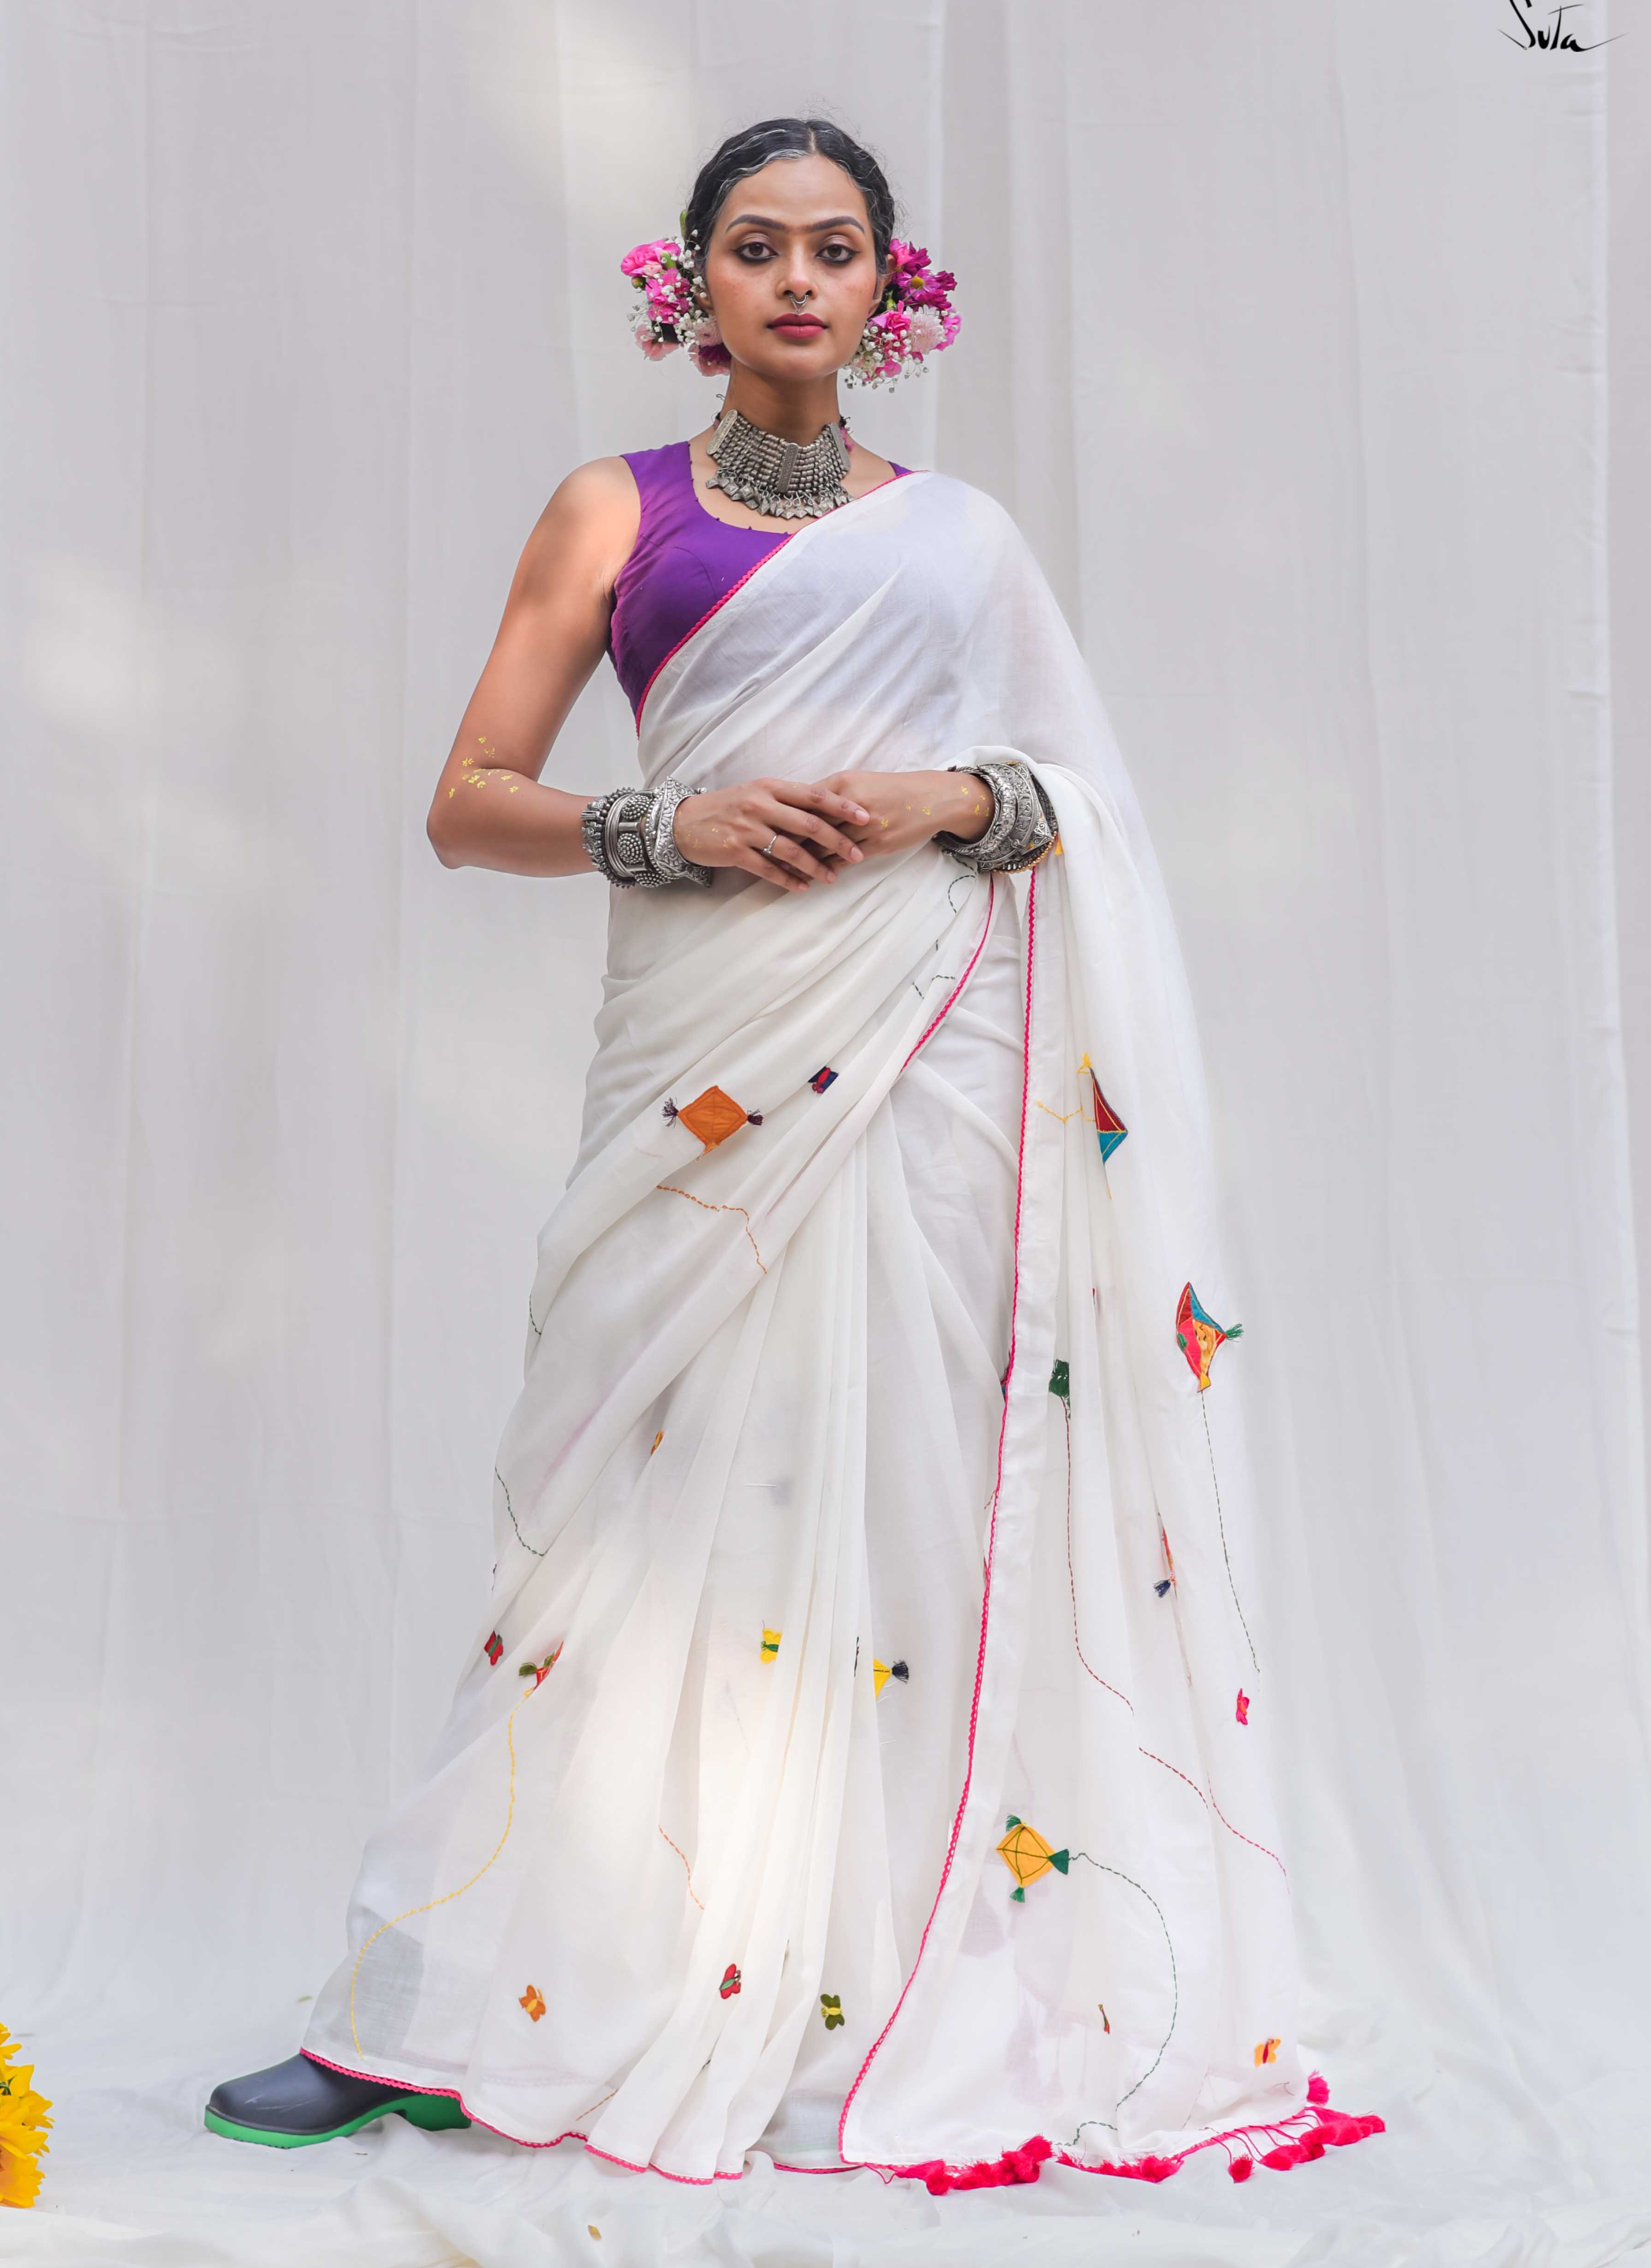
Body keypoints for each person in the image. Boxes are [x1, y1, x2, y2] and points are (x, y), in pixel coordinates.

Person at [205, 117, 1379, 2191]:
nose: (799, 280)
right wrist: (669, 825)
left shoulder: (960, 539)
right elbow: (470, 801)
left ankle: (874, 1989)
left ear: (889, 287)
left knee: (910, 1509)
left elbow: (1072, 793)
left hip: (923, 1057)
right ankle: (447, 2003)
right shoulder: (612, 506)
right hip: (701, 1062)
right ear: (694, 283)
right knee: (618, 1525)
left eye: (837, 248)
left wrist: (943, 797)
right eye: (758, 246)